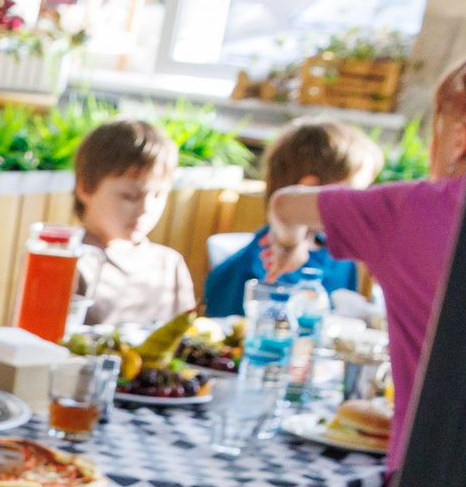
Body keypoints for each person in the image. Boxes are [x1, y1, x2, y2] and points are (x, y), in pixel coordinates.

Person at [265, 47, 466, 476]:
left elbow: (285, 205)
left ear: (459, 141)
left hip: (432, 471)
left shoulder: (411, 210)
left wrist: (289, 247)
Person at [203, 117, 381, 318]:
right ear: (308, 191)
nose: (359, 205)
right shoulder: (251, 270)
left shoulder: (341, 257)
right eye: (353, 194)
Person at [70, 118, 196, 329]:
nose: (146, 209)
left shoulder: (170, 265)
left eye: (158, 195)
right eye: (130, 196)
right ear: (85, 188)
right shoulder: (70, 262)